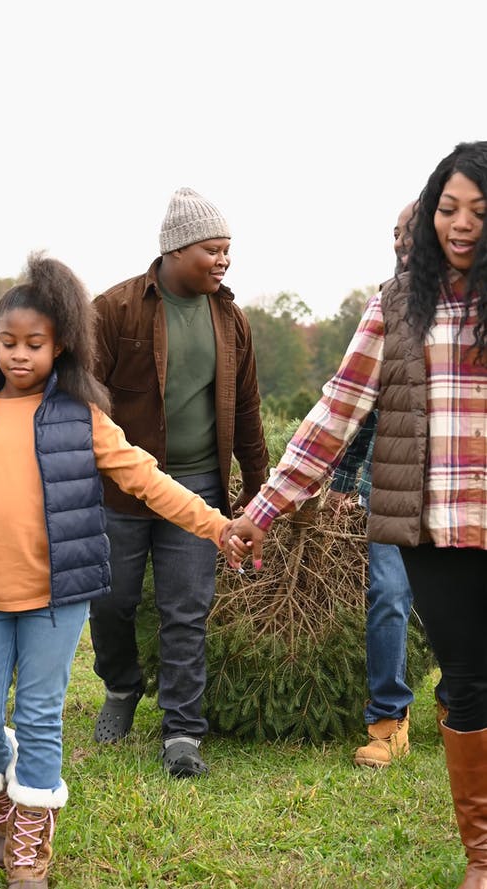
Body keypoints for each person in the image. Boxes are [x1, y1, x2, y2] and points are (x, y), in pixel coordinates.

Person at [225, 141, 487, 888]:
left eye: (478, 209)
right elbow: (335, 414)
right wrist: (266, 508)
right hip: (436, 529)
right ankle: (482, 857)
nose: (460, 223)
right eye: (447, 207)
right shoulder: (399, 303)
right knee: (467, 682)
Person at [0, 254, 239, 887]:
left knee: (42, 713)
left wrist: (217, 524)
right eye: (7, 342)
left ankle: (28, 853)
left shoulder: (81, 417)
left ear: (61, 345)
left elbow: (149, 480)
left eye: (34, 344)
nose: (19, 355)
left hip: (56, 596)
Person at [89, 187, 268, 777]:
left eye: (227, 250)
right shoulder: (114, 310)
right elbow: (82, 404)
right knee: (111, 602)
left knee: (185, 611)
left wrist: (257, 489)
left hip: (198, 490)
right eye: (212, 250)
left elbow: (246, 408)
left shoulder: (230, 318)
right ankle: (120, 687)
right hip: (119, 490)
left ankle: (183, 731)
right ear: (174, 250)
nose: (223, 260)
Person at [326, 200, 448, 768]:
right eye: (396, 233)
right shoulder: (385, 304)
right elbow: (358, 406)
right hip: (392, 487)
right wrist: (343, 481)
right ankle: (387, 721)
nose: (402, 242)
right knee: (389, 599)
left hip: (455, 489)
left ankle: (458, 707)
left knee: (456, 603)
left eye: (411, 232)